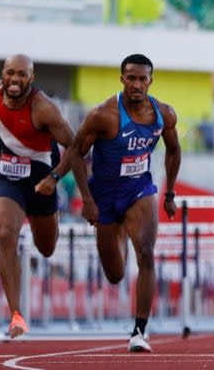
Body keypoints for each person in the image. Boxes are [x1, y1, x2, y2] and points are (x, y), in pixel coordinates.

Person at [36, 54, 181, 352]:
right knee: (115, 275)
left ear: (151, 81)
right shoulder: (103, 115)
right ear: (122, 79)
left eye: (143, 79)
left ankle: (139, 331)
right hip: (103, 196)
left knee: (146, 252)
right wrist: (77, 193)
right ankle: (119, 237)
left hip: (140, 189)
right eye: (131, 78)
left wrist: (169, 193)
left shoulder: (164, 114)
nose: (137, 84)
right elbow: (75, 152)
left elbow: (174, 150)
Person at [0, 54, 84, 339]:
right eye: (10, 72)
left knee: (47, 247)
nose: (15, 79)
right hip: (7, 178)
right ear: (3, 73)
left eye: (22, 74)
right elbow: (2, 117)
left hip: (40, 182)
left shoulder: (45, 109)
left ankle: (49, 218)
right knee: (5, 233)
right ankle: (16, 316)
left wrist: (55, 179)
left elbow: (75, 148)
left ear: (31, 77)